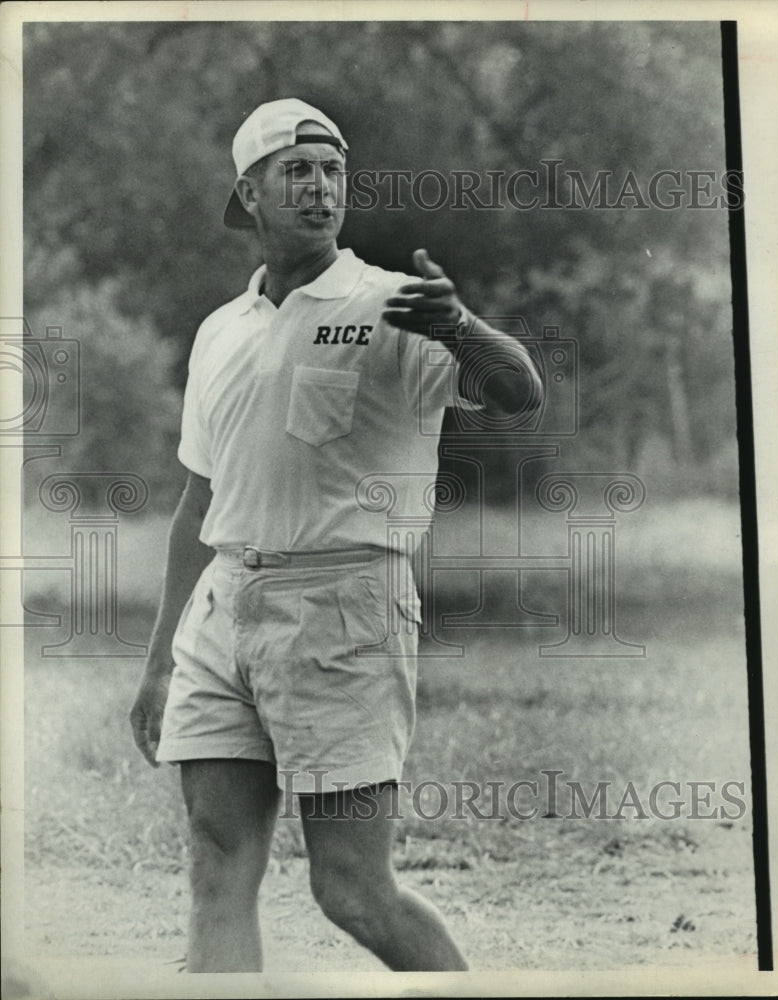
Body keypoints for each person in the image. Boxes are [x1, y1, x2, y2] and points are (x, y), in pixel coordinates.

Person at [129, 98, 542, 973]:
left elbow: (519, 393)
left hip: (344, 608)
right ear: (251, 192)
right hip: (223, 610)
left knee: (351, 889)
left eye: (333, 172)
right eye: (298, 172)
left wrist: (463, 327)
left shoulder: (391, 302)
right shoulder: (219, 331)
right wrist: (161, 658)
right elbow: (198, 500)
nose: (321, 189)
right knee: (215, 869)